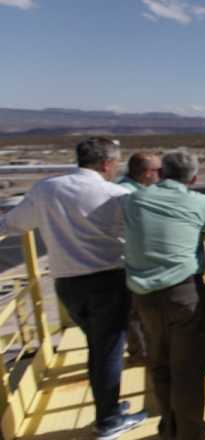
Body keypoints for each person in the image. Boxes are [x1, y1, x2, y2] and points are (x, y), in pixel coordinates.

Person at [0, 137, 147, 439]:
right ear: (107, 163)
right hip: (109, 281)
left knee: (98, 347)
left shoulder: (47, 189)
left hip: (67, 284)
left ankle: (110, 405)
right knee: (107, 351)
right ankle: (108, 421)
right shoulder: (116, 194)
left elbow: (15, 224)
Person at [122, 151, 205, 440]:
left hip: (145, 297)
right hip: (183, 294)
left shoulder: (134, 200)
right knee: (187, 370)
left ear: (160, 173)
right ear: (194, 178)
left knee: (160, 363)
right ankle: (191, 434)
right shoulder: (199, 203)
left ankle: (169, 427)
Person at [116, 151, 161, 363]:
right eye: (157, 171)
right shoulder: (127, 194)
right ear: (146, 173)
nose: (161, 175)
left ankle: (142, 350)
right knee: (134, 311)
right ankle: (141, 353)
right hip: (128, 259)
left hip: (131, 258)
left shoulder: (128, 188)